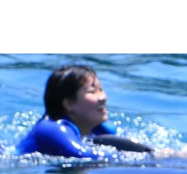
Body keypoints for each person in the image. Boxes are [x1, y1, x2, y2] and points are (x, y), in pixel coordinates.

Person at [15, 63, 155, 160]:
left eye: (100, 89)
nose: (103, 97)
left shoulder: (99, 129)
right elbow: (80, 154)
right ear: (69, 104)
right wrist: (150, 158)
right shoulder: (51, 129)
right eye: (92, 91)